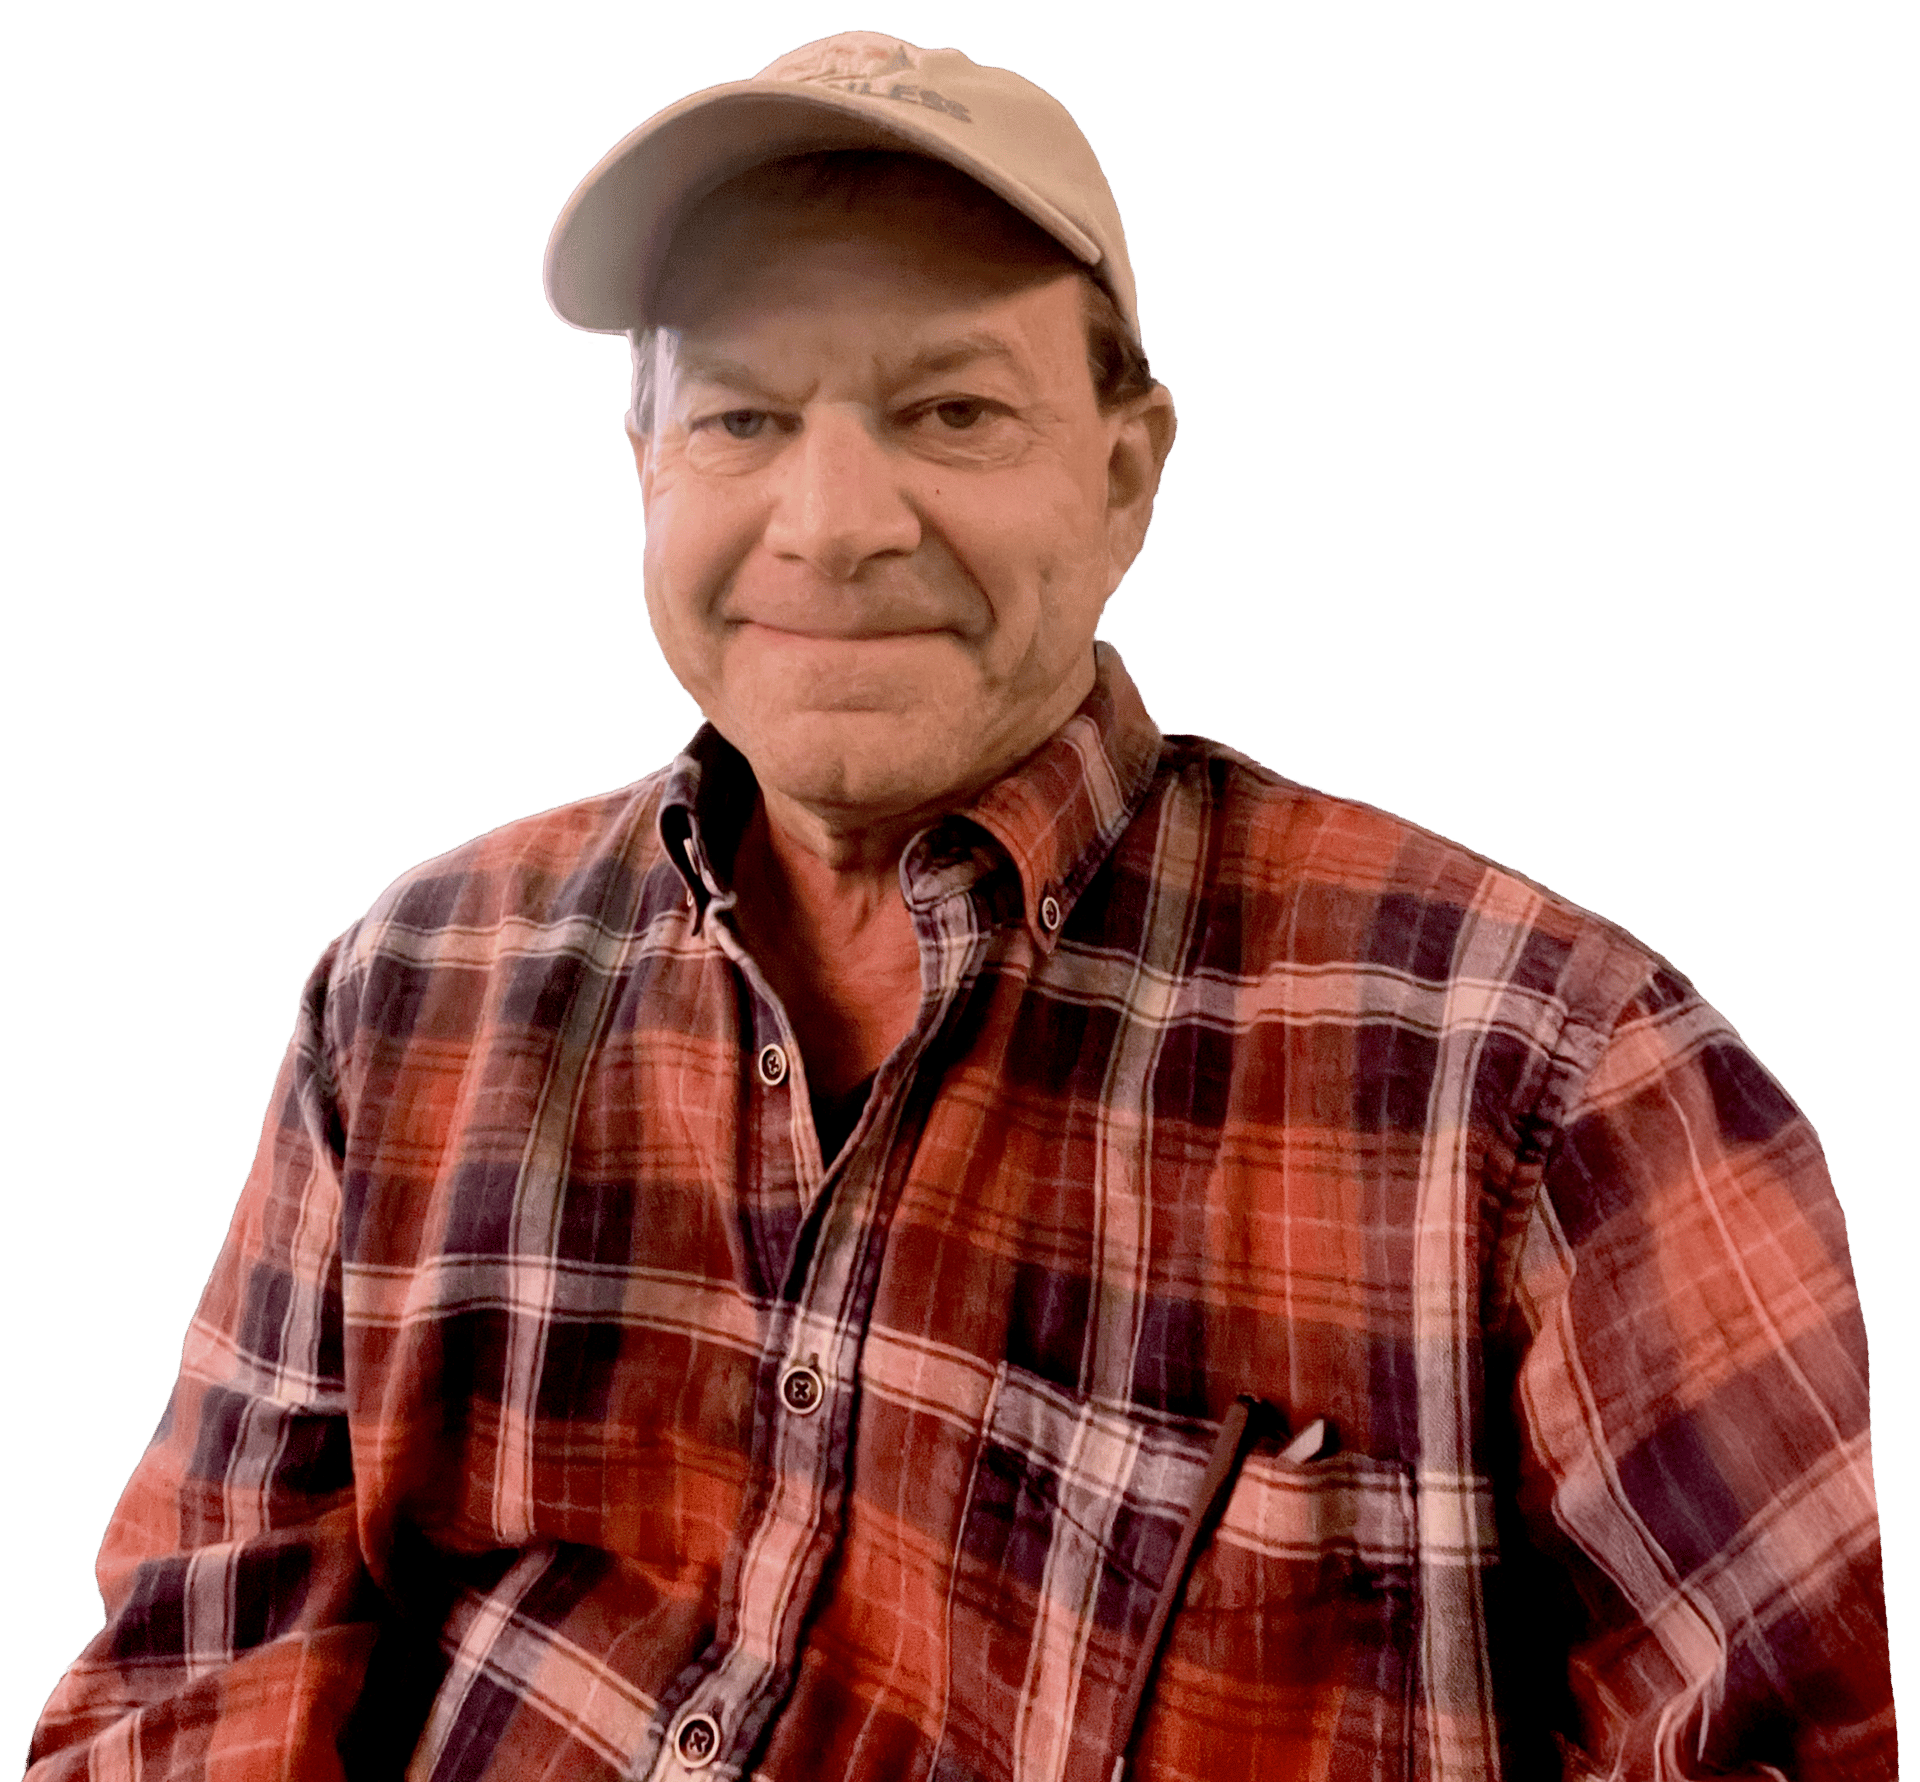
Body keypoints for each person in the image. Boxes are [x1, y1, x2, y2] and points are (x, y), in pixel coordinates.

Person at [26, 29, 1893, 1782]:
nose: (832, 520)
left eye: (950, 408)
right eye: (743, 419)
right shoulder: (416, 983)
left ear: (1127, 473)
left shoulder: (1548, 1077)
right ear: (643, 468)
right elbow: (194, 1682)